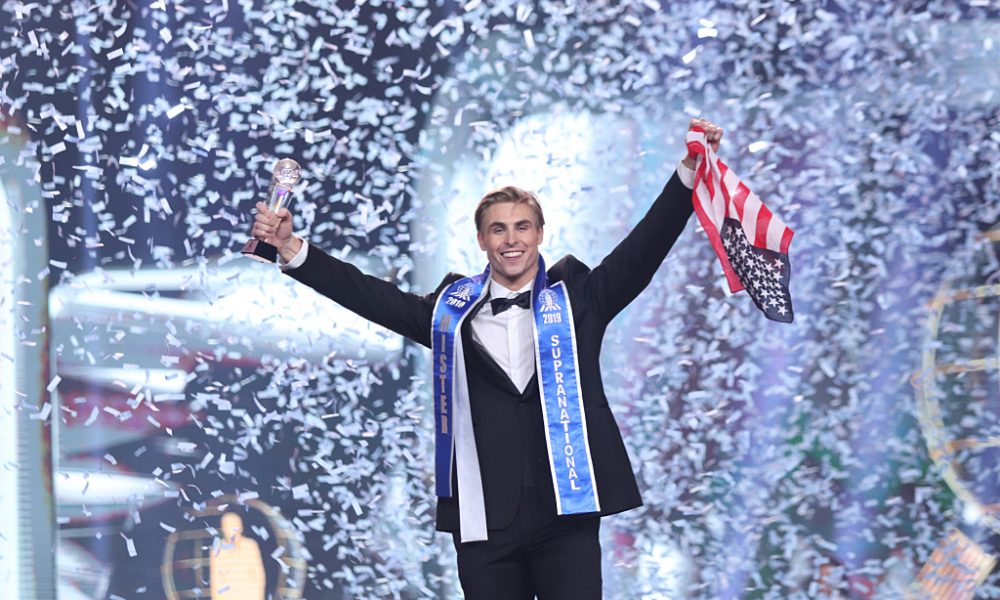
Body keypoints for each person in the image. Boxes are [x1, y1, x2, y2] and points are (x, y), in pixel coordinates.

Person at [250, 118, 723, 599]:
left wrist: (688, 171)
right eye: (498, 229)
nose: (511, 239)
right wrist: (290, 247)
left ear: (540, 233)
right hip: (483, 521)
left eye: (522, 227)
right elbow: (369, 295)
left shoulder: (581, 300)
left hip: (566, 515)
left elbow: (644, 248)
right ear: (482, 239)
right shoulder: (449, 314)